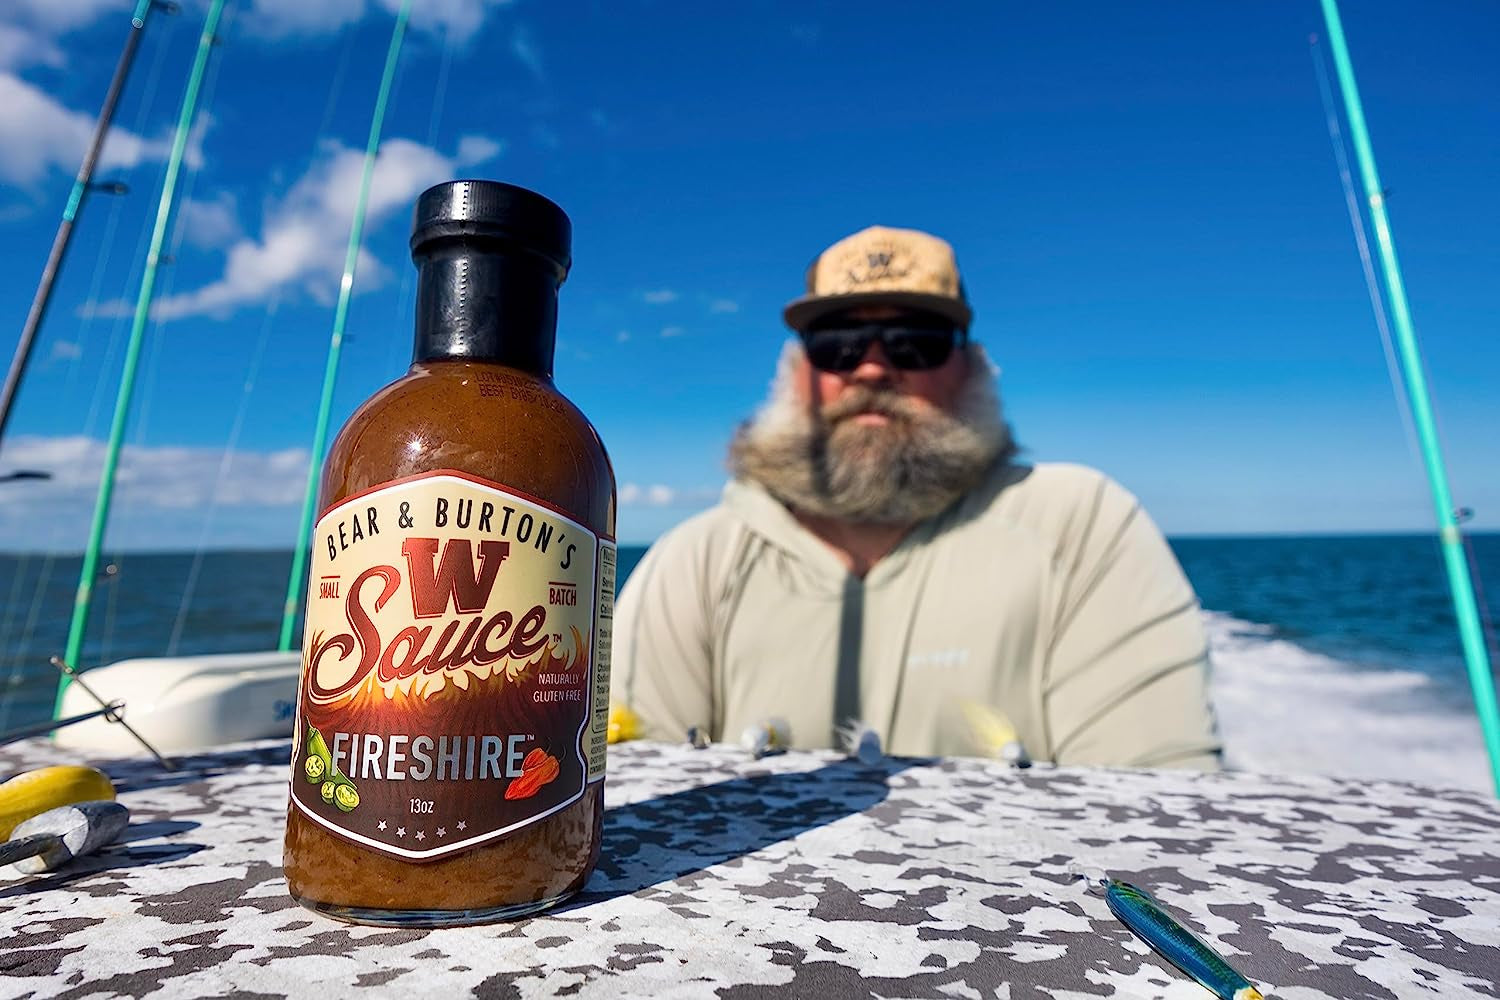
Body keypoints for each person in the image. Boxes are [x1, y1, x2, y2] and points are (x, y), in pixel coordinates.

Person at [613, 225, 1221, 769]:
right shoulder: (697, 559)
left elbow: (1161, 798)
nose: (872, 369)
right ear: (797, 372)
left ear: (970, 365)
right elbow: (626, 780)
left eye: (915, 341)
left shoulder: (1080, 527)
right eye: (836, 343)